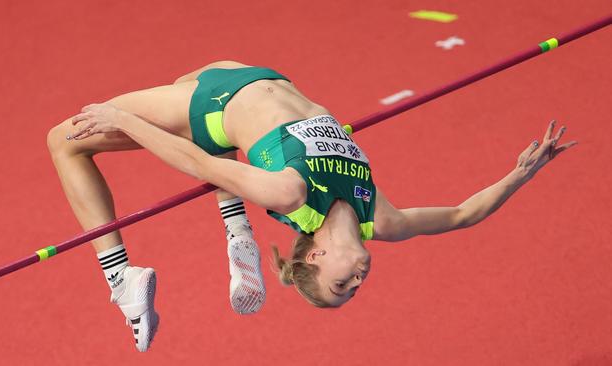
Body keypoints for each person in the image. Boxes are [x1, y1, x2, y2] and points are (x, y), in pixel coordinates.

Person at [46, 60, 576, 352]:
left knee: (63, 140)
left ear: (317, 259)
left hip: (216, 104)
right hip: (244, 79)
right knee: (218, 137)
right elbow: (464, 215)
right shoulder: (379, 218)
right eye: (355, 290)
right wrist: (521, 174)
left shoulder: (290, 195)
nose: (360, 281)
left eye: (343, 285)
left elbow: (198, 165)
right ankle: (238, 235)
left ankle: (119, 278)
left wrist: (125, 121)